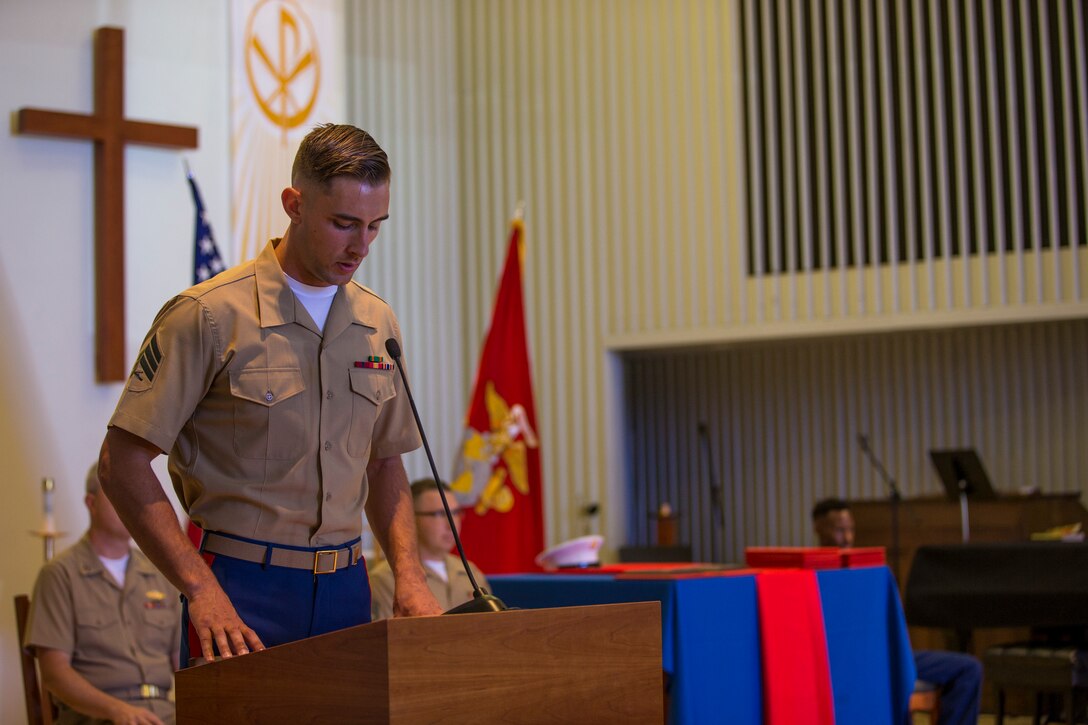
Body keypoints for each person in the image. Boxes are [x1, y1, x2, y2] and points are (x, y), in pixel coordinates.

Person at [98, 123, 442, 667]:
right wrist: (200, 588)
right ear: (294, 204)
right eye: (344, 223)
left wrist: (410, 575)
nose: (361, 246)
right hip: (239, 589)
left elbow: (383, 463)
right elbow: (122, 464)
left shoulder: (377, 321)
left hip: (346, 589)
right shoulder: (208, 315)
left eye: (376, 227)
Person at [24, 464, 180, 725]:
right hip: (96, 716)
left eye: (134, 497)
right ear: (91, 503)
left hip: (164, 715)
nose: (129, 506)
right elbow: (54, 673)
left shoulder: (160, 575)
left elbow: (183, 665)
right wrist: (116, 711)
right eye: (118, 495)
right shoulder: (61, 575)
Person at [811, 498, 983, 725]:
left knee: (969, 669)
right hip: (853, 662)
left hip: (889, 654)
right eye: (840, 530)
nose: (849, 538)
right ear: (819, 529)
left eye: (851, 529)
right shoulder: (810, 576)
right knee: (889, 679)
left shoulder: (869, 572)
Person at [369, 479, 490, 619]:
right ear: (410, 519)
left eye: (455, 513)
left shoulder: (471, 573)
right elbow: (391, 637)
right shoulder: (386, 579)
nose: (451, 523)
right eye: (439, 514)